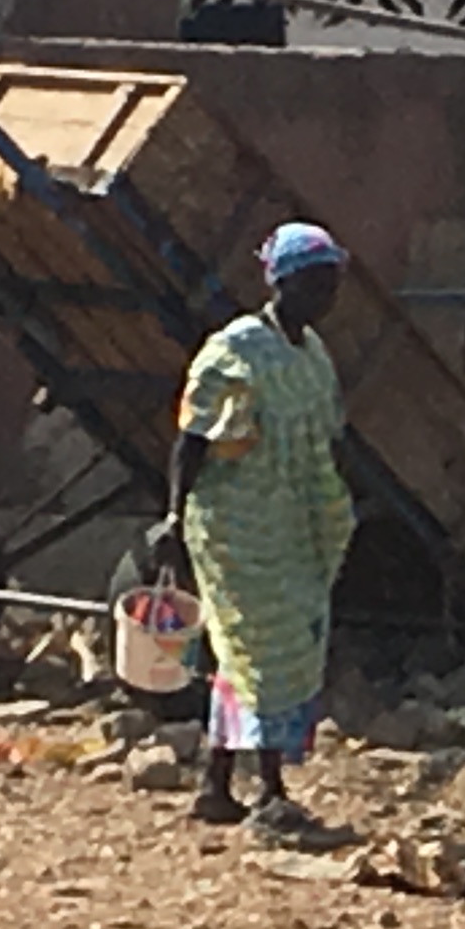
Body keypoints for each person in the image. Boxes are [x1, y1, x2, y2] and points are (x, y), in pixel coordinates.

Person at [154, 221, 357, 835]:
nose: (326, 297)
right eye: (315, 283)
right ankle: (269, 790)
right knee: (262, 653)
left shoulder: (312, 355)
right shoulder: (237, 350)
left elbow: (329, 438)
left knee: (248, 654)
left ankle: (216, 784)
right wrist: (171, 516)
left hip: (291, 527)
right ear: (284, 283)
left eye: (331, 284)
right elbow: (192, 441)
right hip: (237, 529)